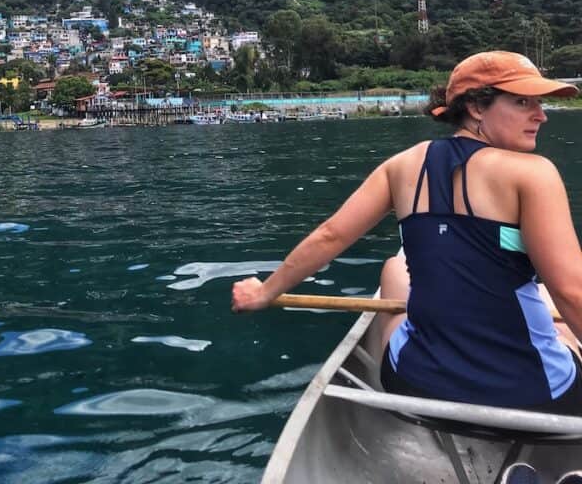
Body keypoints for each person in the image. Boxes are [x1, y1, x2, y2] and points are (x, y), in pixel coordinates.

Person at [231, 51, 582, 414]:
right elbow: (572, 291)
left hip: (416, 385)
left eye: (539, 104)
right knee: (558, 314)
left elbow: (330, 236)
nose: (540, 115)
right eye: (523, 102)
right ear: (477, 107)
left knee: (395, 270)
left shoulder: (400, 166)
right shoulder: (534, 173)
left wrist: (263, 292)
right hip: (538, 396)